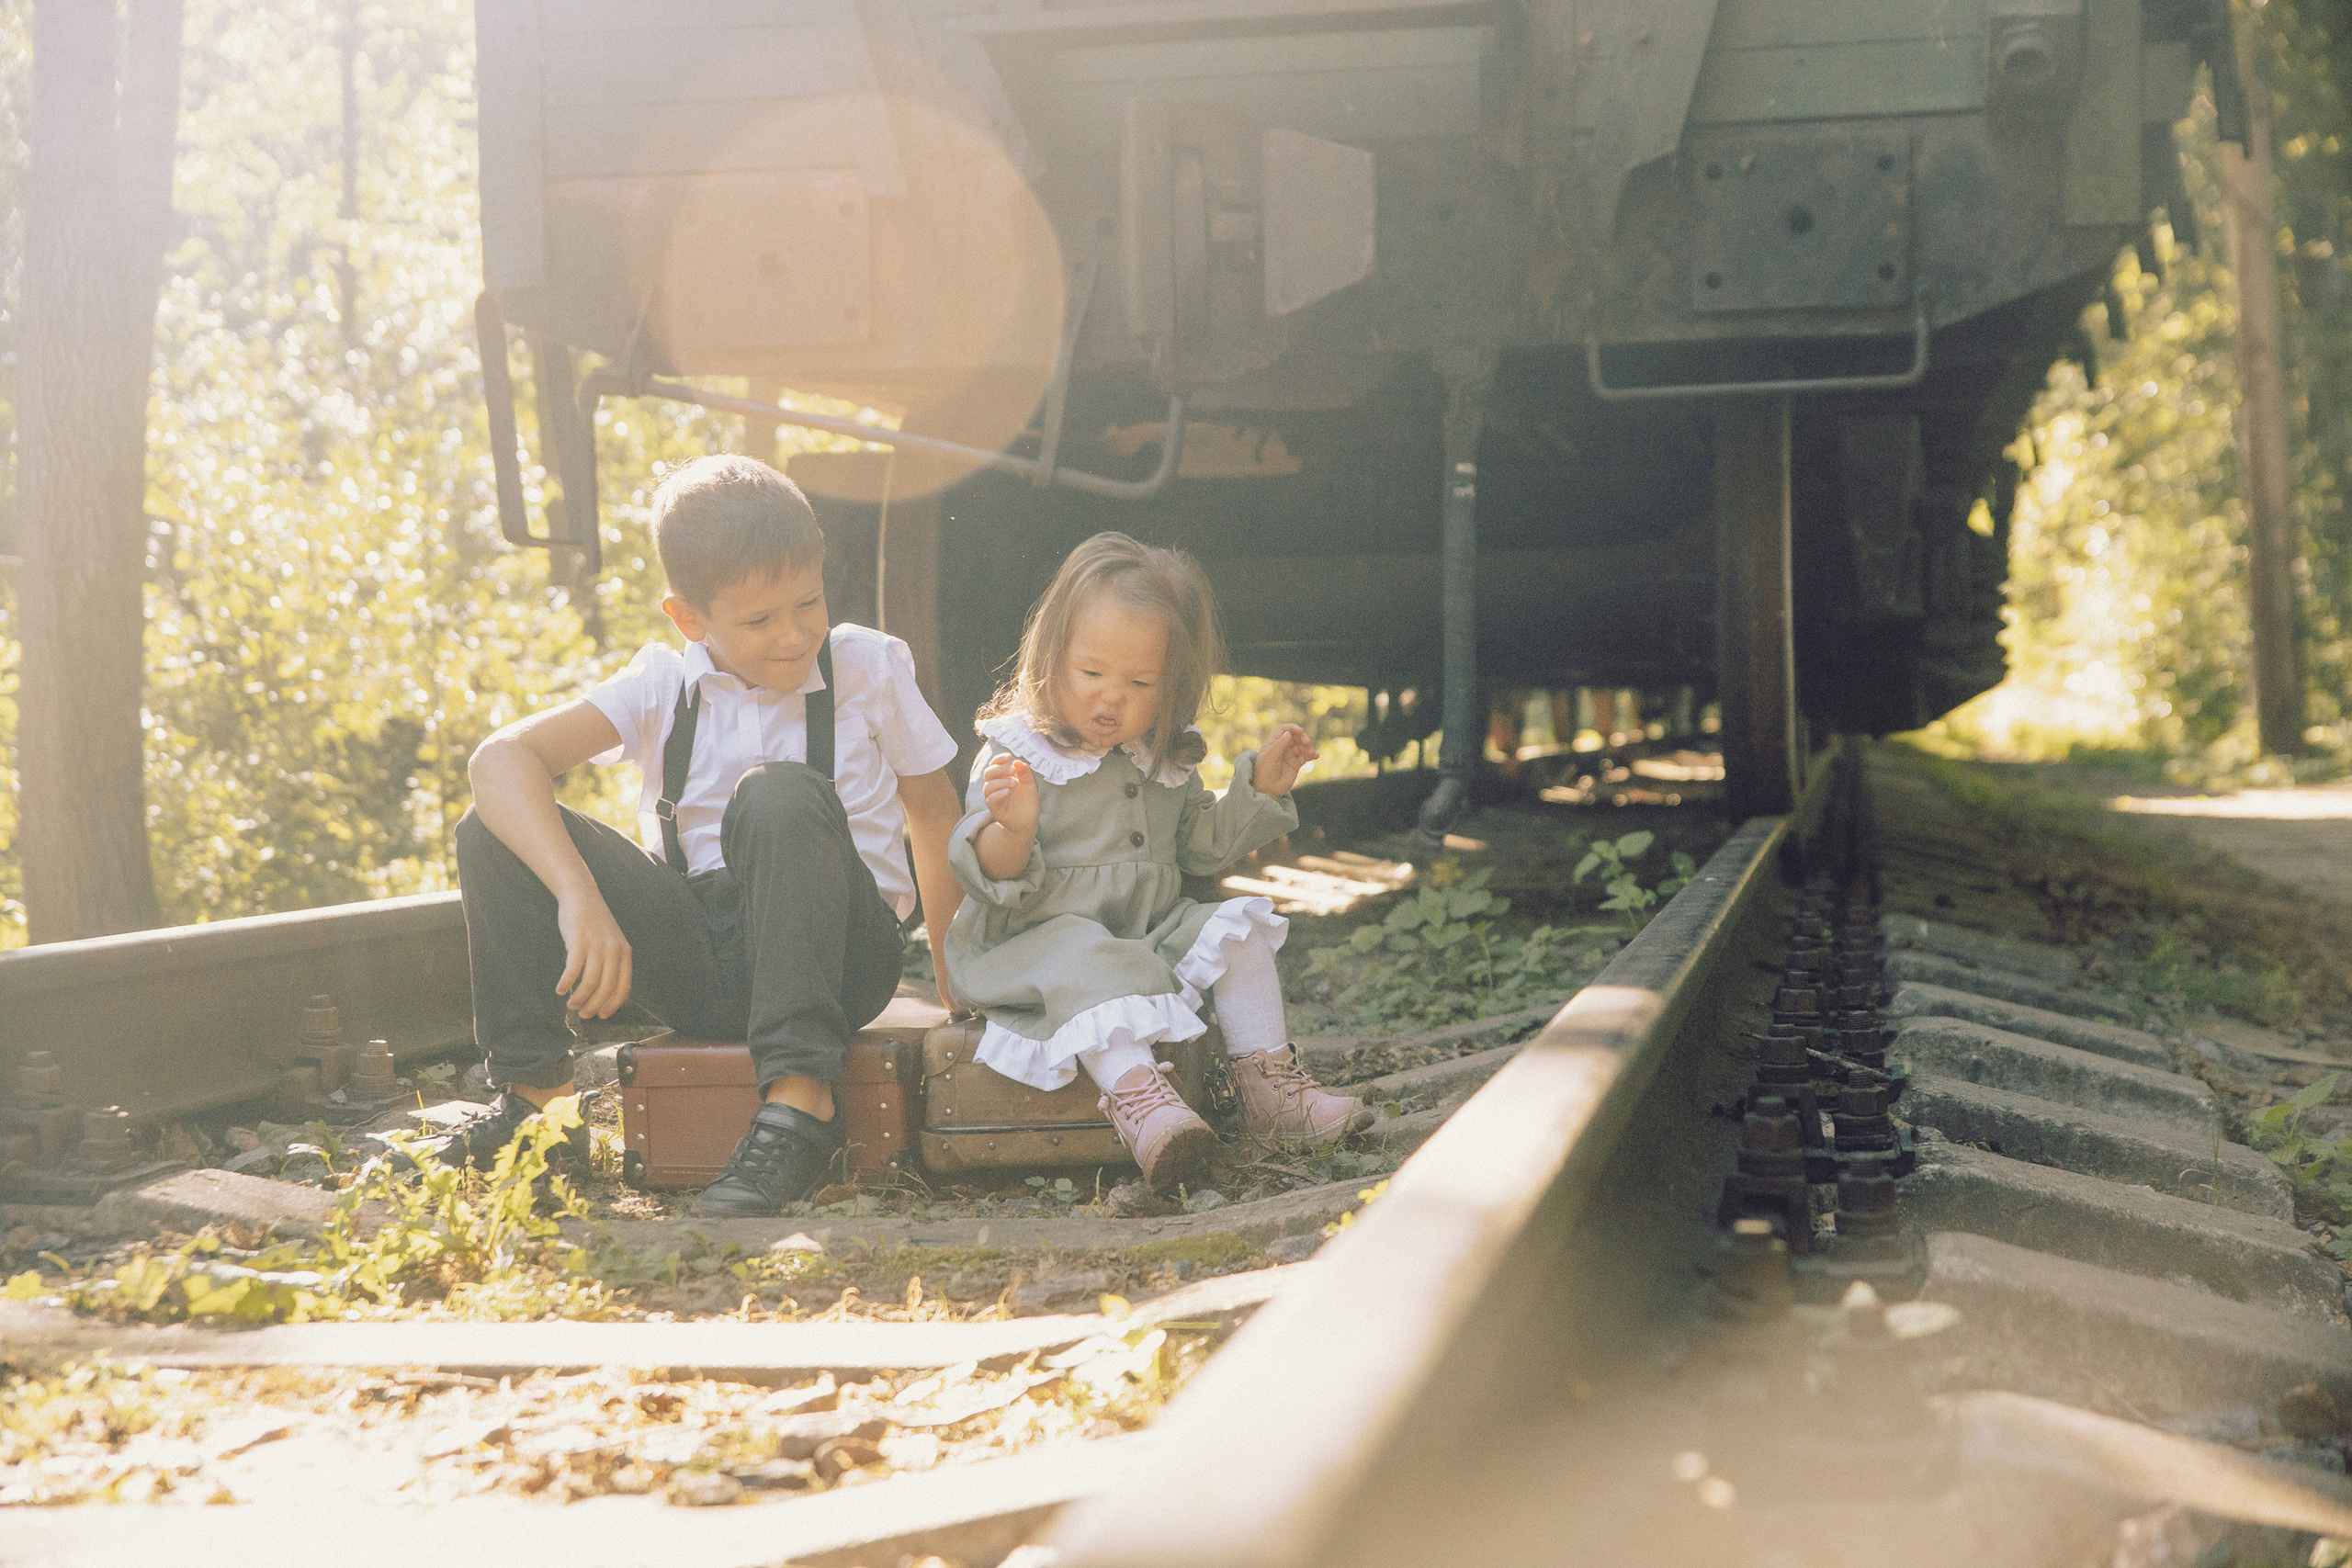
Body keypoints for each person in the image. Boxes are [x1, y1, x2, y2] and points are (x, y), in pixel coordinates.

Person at [449, 455, 966, 1215]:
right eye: (759, 620)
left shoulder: (867, 668)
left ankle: (800, 1107)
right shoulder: (662, 683)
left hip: (838, 957)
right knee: (491, 829)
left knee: (778, 794)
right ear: (690, 619)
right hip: (702, 960)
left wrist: (961, 990)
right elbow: (500, 760)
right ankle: (539, 1109)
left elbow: (933, 812)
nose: (793, 636)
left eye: (808, 603)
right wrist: (577, 896)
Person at [946, 531, 1372, 1191]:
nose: (1110, 698)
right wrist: (1015, 827)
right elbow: (990, 874)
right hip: (1042, 945)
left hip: (1146, 932)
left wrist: (1260, 788)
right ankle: (1144, 1106)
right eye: (1091, 674)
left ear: (1171, 684)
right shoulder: (1017, 751)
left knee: (1238, 931)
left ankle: (1273, 1093)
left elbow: (1198, 843)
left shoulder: (1161, 756)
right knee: (1093, 962)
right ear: (1052, 655)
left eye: (1139, 682)